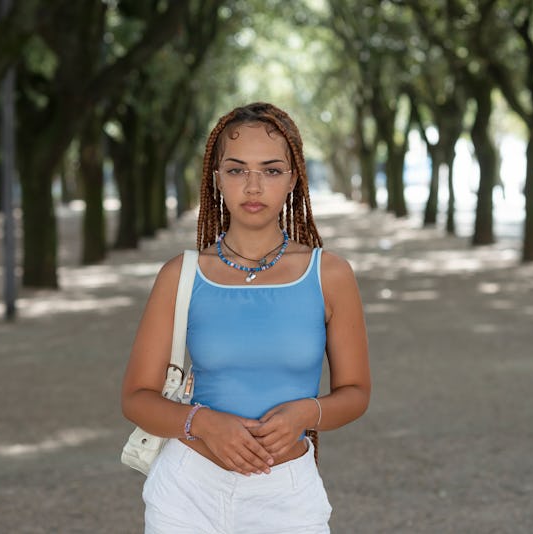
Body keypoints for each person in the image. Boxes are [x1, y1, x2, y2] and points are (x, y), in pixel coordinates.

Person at [121, 102, 371, 533]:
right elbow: (136, 398)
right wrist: (202, 423)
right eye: (237, 170)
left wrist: (305, 415)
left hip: (288, 496)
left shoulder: (329, 274)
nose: (253, 186)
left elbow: (356, 393)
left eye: (271, 170)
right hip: (186, 494)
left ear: (293, 179)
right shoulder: (180, 275)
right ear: (216, 178)